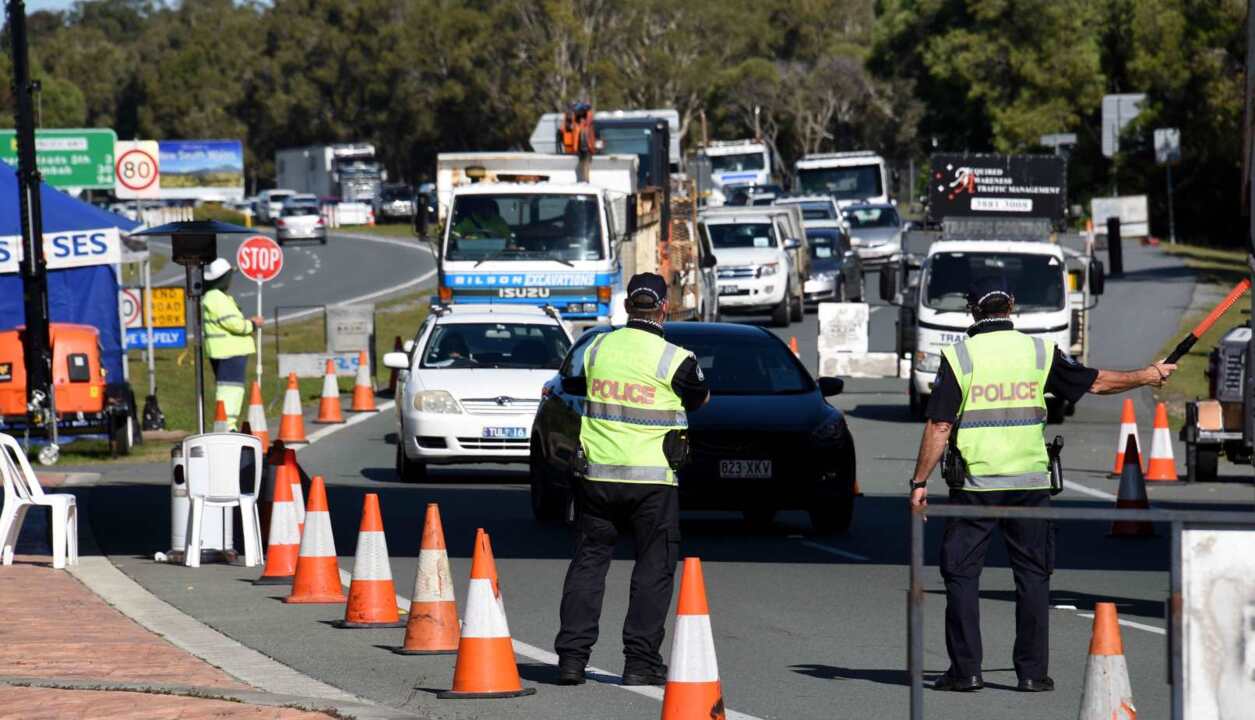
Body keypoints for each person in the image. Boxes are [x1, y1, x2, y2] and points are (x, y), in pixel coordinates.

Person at [908, 275, 1176, 693]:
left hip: (976, 486)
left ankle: (966, 672)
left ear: (972, 310)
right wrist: (1149, 374)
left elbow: (940, 425)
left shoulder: (960, 357)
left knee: (960, 574)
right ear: (1010, 307)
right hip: (1031, 482)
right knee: (1032, 575)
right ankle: (1031, 674)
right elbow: (1097, 382)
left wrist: (919, 481)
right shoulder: (1038, 351)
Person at [554, 272, 710, 687]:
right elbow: (699, 398)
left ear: (627, 308)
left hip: (597, 475)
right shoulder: (675, 358)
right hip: (653, 482)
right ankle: (640, 663)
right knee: (653, 570)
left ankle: (571, 659)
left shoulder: (597, 347)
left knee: (589, 564)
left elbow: (571, 382)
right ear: (664, 308)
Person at [202, 258, 263, 430]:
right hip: (229, 351)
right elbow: (233, 323)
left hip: (226, 351)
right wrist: (252, 324)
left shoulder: (216, 297)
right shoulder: (216, 298)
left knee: (231, 389)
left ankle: (227, 423)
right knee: (231, 389)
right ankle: (227, 425)